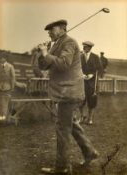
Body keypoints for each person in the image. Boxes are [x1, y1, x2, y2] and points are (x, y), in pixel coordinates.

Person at [32, 19, 99, 174]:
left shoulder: (69, 42)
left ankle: (62, 167)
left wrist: (45, 53)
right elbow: (44, 66)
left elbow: (63, 64)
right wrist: (41, 54)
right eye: (48, 31)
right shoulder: (56, 44)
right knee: (71, 125)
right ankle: (90, 152)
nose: (48, 33)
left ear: (62, 29)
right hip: (63, 92)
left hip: (68, 92)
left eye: (51, 30)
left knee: (63, 128)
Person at [80, 41, 103, 125]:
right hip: (82, 82)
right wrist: (81, 74)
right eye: (83, 46)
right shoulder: (80, 56)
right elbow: (78, 67)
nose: (83, 48)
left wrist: (92, 74)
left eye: (85, 47)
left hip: (92, 83)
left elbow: (100, 69)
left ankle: (90, 119)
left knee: (91, 101)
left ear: (89, 48)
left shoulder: (95, 57)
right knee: (80, 100)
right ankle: (82, 116)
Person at [0, 56, 15, 121]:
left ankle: (4, 118)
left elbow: (13, 77)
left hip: (7, 87)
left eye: (2, 58)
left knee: (5, 102)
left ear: (5, 59)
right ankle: (1, 118)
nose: (1, 59)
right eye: (0, 58)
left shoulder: (10, 66)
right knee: (1, 103)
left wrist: (12, 86)